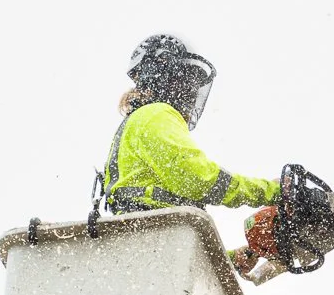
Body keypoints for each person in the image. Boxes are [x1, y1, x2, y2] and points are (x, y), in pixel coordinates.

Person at [101, 35, 280, 215]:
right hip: (160, 232)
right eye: (185, 78)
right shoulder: (155, 114)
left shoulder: (140, 120)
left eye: (195, 83)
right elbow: (197, 178)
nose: (192, 90)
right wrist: (271, 191)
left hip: (154, 231)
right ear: (158, 74)